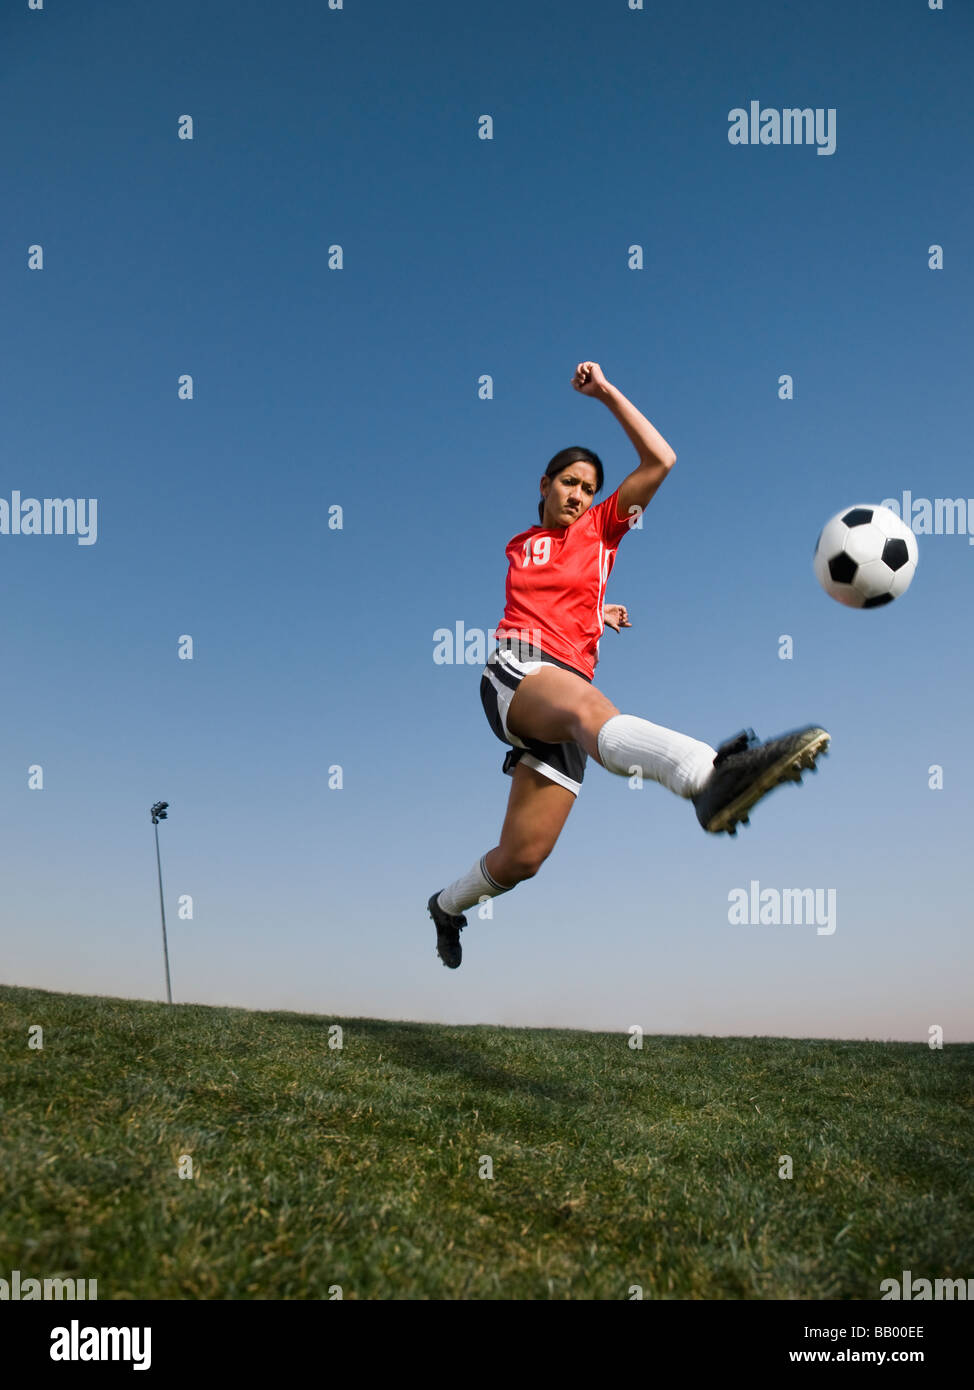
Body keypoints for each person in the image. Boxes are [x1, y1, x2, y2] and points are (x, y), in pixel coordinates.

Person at [429, 361, 829, 968]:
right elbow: (546, 590)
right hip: (518, 673)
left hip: (563, 695)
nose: (579, 495)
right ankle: (707, 774)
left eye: (590, 488)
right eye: (568, 482)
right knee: (592, 708)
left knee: (523, 858)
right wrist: (591, 607)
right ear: (543, 484)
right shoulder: (525, 542)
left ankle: (446, 906)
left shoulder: (602, 531)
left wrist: (608, 395)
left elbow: (661, 460)